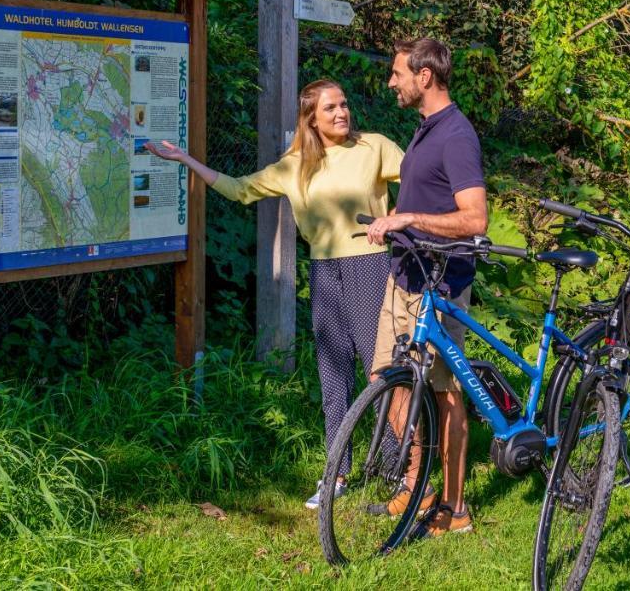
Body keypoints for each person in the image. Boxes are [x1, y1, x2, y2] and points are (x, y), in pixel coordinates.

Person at [146, 79, 403, 510]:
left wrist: (395, 218)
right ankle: (336, 473)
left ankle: (399, 472)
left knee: (380, 371)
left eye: (344, 104)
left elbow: (421, 178)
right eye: (330, 108)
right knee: (333, 376)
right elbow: (239, 188)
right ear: (311, 119)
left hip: (370, 265)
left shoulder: (374, 146)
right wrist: (184, 159)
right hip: (324, 271)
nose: (342, 113)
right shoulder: (295, 164)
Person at [365, 37, 488, 538]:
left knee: (444, 392)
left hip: (441, 282)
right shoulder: (423, 130)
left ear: (425, 77)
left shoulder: (456, 135)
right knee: (387, 379)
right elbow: (424, 198)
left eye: (398, 73)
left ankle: (456, 508)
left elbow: (476, 218)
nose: (391, 82)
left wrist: (411, 217)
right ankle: (417, 485)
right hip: (405, 274)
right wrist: (395, 221)